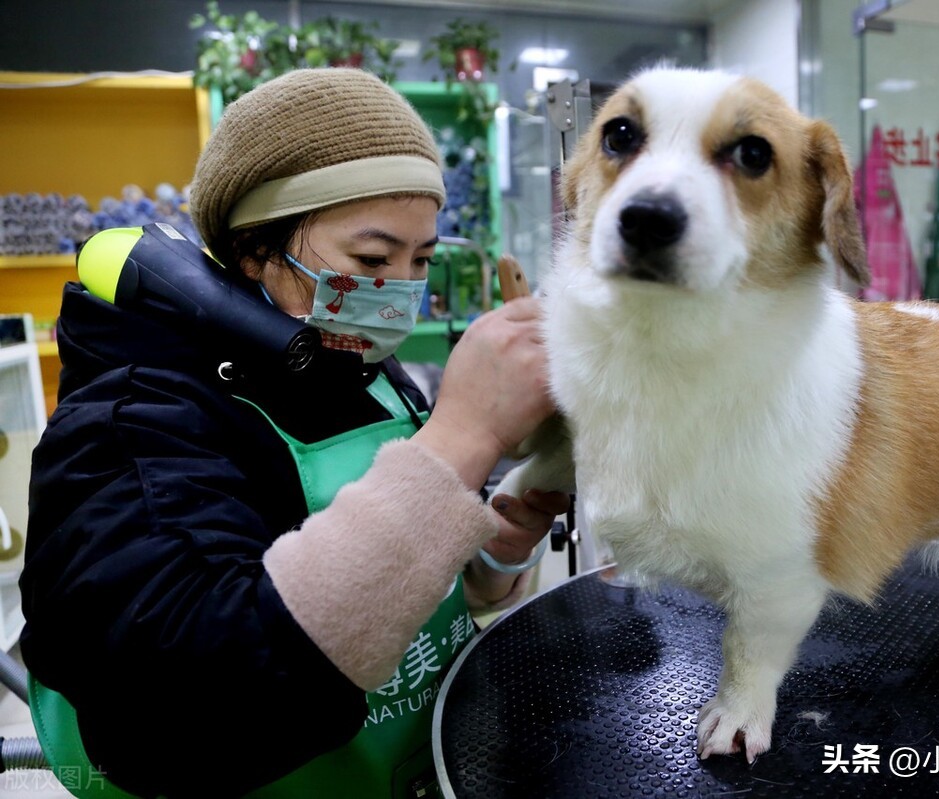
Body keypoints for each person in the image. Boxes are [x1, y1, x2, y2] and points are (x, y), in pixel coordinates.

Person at [19, 68, 567, 798]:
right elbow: (187, 712)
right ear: (254, 250)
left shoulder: (348, 352)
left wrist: (488, 556)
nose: (398, 293)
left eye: (421, 260)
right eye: (372, 260)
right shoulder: (134, 424)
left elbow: (394, 594)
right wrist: (463, 436)